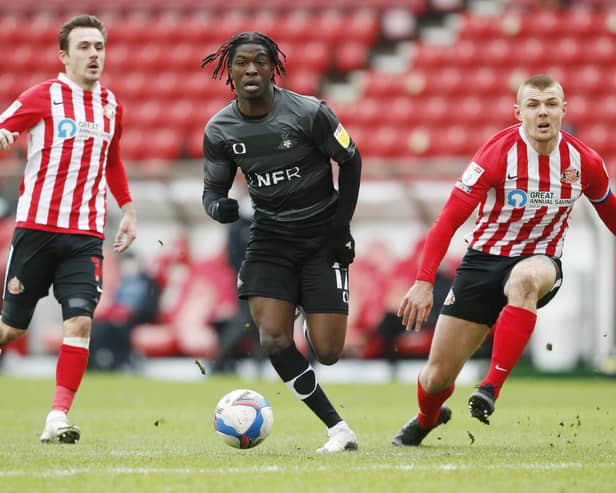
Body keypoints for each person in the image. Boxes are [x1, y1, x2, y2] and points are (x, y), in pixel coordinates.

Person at [392, 74, 616, 446]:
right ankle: (427, 417)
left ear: (564, 109)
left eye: (550, 104)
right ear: (519, 112)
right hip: (483, 261)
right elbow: (447, 220)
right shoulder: (497, 154)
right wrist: (424, 281)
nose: (542, 112)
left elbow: (611, 214)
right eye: (533, 105)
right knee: (436, 378)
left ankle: (490, 388)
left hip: (540, 260)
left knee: (525, 280)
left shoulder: (584, 162)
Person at [201, 32, 362, 453]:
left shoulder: (310, 113)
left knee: (327, 352)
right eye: (241, 63)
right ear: (229, 70)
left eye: (259, 62)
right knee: (273, 338)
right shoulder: (219, 129)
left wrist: (341, 227)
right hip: (270, 238)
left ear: (274, 67)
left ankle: (313, 301)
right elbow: (212, 190)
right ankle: (337, 429)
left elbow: (351, 159)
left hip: (321, 237)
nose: (250, 70)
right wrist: (218, 207)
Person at [0, 15, 137, 444]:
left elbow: (112, 160)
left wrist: (128, 210)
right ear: (64, 55)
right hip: (36, 230)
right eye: (84, 47)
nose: (94, 54)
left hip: (85, 236)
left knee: (79, 323)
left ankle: (57, 417)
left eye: (99, 46)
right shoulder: (44, 97)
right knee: (12, 329)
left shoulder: (112, 106)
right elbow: (4, 127)